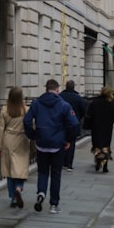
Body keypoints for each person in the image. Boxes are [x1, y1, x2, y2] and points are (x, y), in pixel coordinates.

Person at [23, 79, 81, 214]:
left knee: (42, 171)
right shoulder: (63, 105)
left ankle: (41, 193)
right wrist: (69, 139)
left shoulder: (37, 103)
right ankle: (54, 204)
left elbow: (26, 120)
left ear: (46, 89)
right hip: (57, 144)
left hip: (41, 143)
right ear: (57, 90)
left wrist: (33, 135)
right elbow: (74, 124)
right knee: (56, 173)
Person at [0, 86, 30, 208]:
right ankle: (19, 188)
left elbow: (0, 129)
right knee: (21, 168)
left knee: (9, 170)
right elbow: (31, 125)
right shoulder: (26, 110)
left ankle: (13, 197)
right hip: (22, 140)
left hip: (8, 140)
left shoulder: (5, 110)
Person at [85, 86, 114, 172]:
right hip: (107, 129)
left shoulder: (94, 102)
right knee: (105, 146)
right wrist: (110, 122)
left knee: (97, 146)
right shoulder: (111, 103)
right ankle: (105, 166)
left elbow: (89, 115)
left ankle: (97, 162)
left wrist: (89, 124)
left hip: (96, 127)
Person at [58, 80, 87, 171]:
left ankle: (61, 162)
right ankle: (69, 164)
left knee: (61, 142)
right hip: (73, 123)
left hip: (61, 123)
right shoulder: (78, 98)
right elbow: (84, 111)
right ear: (73, 87)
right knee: (71, 143)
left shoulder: (60, 97)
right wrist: (78, 118)